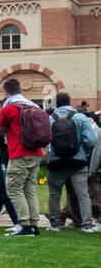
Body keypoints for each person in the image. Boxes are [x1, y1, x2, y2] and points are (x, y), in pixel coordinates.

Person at [0, 78, 47, 236]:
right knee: (30, 189)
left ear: (6, 91)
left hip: (19, 152)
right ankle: (33, 224)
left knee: (14, 188)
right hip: (36, 152)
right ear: (20, 90)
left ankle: (24, 224)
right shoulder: (33, 105)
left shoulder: (8, 108)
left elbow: (0, 131)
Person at [44, 91, 98, 233]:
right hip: (77, 162)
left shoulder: (50, 119)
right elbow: (92, 140)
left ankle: (55, 224)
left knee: (55, 194)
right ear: (69, 102)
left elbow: (44, 140)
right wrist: (81, 148)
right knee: (83, 194)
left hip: (56, 162)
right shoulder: (80, 117)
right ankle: (86, 224)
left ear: (56, 104)